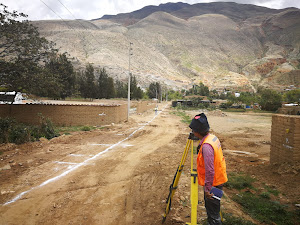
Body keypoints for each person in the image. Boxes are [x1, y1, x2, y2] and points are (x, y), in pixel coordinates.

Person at [189, 113, 228, 225]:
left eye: (193, 130)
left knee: (213, 216)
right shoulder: (212, 138)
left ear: (197, 131)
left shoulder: (206, 147)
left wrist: (207, 189)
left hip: (213, 184)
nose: (192, 132)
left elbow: (210, 170)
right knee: (214, 211)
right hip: (218, 179)